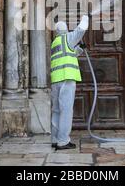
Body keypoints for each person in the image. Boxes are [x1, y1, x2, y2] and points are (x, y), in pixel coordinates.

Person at [50, 15, 89, 150]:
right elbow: (81, 29)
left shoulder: (55, 42)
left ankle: (55, 139)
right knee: (66, 110)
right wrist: (85, 17)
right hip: (67, 78)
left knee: (56, 110)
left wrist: (80, 49)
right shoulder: (68, 38)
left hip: (56, 80)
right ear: (66, 29)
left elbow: (68, 54)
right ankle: (63, 141)